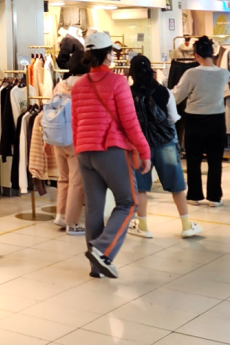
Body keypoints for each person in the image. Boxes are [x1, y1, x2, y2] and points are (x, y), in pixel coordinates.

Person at [71, 31, 151, 279]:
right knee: (129, 202)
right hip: (111, 150)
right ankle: (102, 250)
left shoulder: (78, 85)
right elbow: (130, 122)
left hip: (85, 153)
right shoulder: (118, 82)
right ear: (107, 55)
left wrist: (79, 148)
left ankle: (97, 267)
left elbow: (75, 123)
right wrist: (144, 150)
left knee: (94, 209)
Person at [127, 55, 202, 239]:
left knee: (141, 187)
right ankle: (186, 225)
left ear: (132, 72)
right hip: (164, 142)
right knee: (176, 185)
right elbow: (173, 118)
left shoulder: (127, 93)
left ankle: (143, 227)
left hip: (139, 144)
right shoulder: (164, 92)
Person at [173, 35, 230, 207]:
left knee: (193, 158)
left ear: (196, 55)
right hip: (217, 119)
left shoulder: (191, 73)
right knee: (215, 159)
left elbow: (177, 95)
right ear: (213, 53)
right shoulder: (224, 73)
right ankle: (214, 197)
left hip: (195, 119)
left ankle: (194, 195)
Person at [52, 52, 88, 236]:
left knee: (63, 178)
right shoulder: (86, 85)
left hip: (57, 136)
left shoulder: (60, 85)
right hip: (75, 137)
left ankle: (61, 214)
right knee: (76, 181)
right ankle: (72, 223)